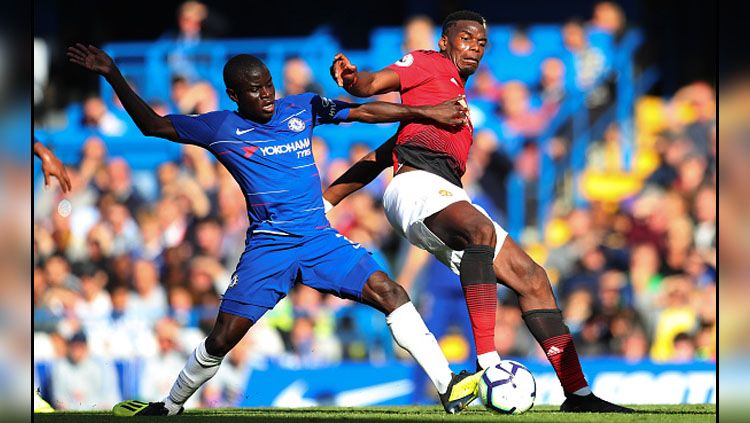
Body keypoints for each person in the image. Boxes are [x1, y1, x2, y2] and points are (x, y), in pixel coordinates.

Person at [67, 43, 479, 416]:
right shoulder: (219, 127)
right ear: (234, 95)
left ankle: (449, 387)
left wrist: (424, 113)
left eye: (268, 85)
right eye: (255, 90)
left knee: (391, 292)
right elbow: (153, 126)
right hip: (270, 246)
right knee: (223, 338)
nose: (266, 94)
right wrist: (113, 74)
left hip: (318, 238)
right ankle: (171, 405)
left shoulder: (302, 107)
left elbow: (364, 110)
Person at [324, 10, 632, 412]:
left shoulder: (453, 103)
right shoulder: (427, 63)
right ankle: (489, 363)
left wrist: (328, 200)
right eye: (465, 39)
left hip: (441, 193)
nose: (474, 48)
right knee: (479, 231)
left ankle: (578, 395)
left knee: (533, 278)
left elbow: (381, 155)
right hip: (415, 186)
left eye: (481, 43)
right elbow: (372, 84)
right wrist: (354, 80)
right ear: (445, 43)